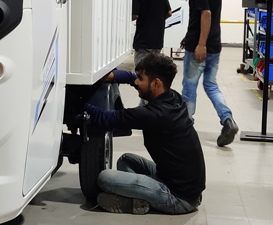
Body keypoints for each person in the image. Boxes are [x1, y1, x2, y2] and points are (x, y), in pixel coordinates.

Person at [82, 52, 205, 215]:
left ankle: (138, 202)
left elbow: (104, 118)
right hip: (178, 182)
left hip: (179, 198)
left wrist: (75, 102)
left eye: (141, 78)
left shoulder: (154, 115)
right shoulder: (173, 98)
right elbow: (132, 78)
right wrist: (113, 76)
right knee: (126, 160)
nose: (137, 82)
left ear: (156, 84)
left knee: (104, 178)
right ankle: (141, 193)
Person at [178, 0, 239, 147]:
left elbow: (206, 14)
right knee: (210, 85)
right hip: (214, 44)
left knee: (189, 87)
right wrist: (190, 37)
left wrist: (200, 44)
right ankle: (227, 120)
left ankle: (184, 130)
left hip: (201, 46)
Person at [132, 0, 172, 67]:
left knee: (141, 74)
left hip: (143, 41)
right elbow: (169, 12)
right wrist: (156, 20)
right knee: (153, 73)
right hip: (157, 41)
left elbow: (134, 16)